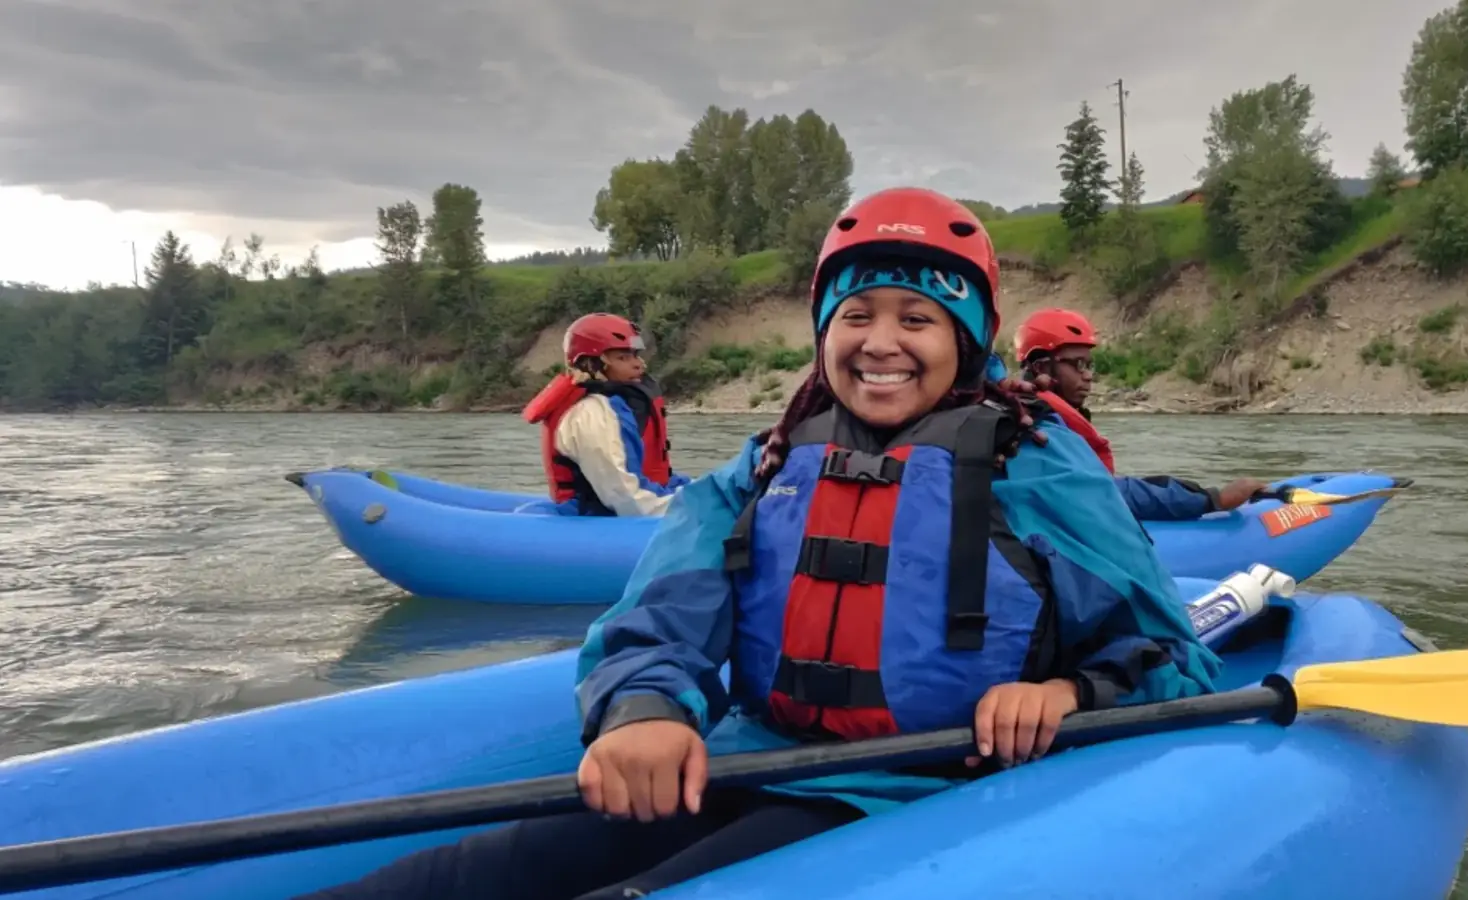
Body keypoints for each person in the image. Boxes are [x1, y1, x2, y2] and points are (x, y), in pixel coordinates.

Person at [298, 187, 1221, 900]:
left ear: (967, 339)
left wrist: (1062, 691)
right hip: (751, 752)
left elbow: (1170, 660)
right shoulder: (773, 460)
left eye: (917, 319)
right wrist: (646, 709)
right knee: (456, 879)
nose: (880, 343)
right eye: (855, 317)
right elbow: (665, 606)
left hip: (911, 793)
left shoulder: (1039, 465)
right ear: (825, 335)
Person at [1012, 308, 1269, 521]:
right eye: (1078, 364)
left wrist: (1196, 493)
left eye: (1090, 365)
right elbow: (1102, 492)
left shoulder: (1038, 414)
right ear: (1042, 368)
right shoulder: (1036, 428)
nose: (1088, 375)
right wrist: (1214, 500)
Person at [521, 313, 691, 517]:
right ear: (592, 364)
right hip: (598, 518)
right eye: (623, 357)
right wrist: (693, 509)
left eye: (635, 355)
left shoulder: (615, 406)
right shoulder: (591, 415)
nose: (639, 365)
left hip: (636, 504)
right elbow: (625, 497)